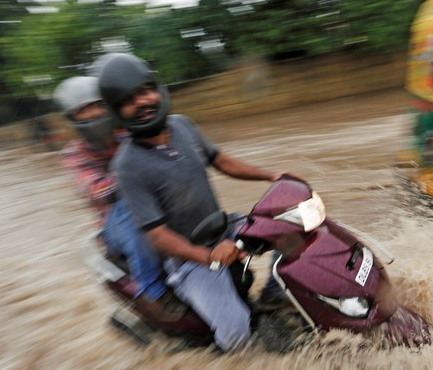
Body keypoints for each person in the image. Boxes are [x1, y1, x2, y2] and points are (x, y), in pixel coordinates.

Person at [98, 53, 284, 352]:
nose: (142, 101)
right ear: (118, 111)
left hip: (225, 229)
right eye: (129, 100)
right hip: (189, 261)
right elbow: (157, 235)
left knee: (292, 226)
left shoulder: (183, 125)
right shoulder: (127, 166)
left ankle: (275, 297)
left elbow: (220, 161)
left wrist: (272, 176)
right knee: (236, 332)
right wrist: (208, 256)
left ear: (157, 89)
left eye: (146, 90)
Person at [54, 76, 173, 312]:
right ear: (73, 118)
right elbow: (95, 189)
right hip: (116, 223)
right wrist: (136, 176)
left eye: (97, 105)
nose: (93, 113)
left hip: (154, 206)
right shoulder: (75, 154)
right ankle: (153, 291)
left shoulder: (129, 134)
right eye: (83, 110)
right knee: (129, 208)